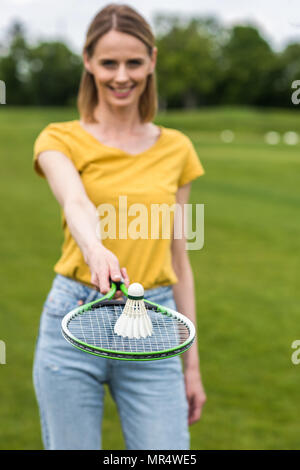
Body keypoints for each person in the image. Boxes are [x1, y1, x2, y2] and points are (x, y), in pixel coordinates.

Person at [32, 3, 206, 450]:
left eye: (134, 62)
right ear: (88, 63)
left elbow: (179, 261)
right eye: (109, 63)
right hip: (74, 314)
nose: (121, 76)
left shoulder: (178, 150)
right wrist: (95, 249)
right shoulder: (59, 139)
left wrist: (192, 366)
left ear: (151, 61)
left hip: (154, 318)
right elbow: (75, 201)